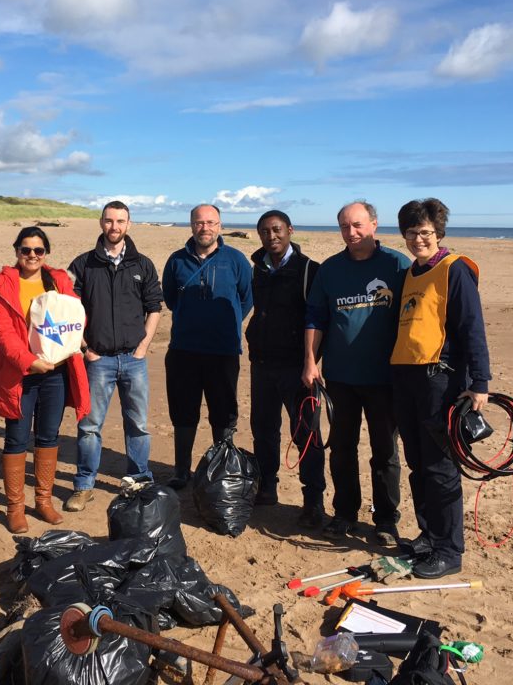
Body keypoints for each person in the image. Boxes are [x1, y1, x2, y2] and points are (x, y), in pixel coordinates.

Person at [390, 198, 490, 579]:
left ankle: (449, 549)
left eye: (426, 233)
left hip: (440, 379)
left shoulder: (455, 269)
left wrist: (479, 382)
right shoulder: (411, 273)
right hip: (406, 377)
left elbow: (471, 328)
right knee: (417, 464)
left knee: (441, 467)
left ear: (439, 233)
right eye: (412, 233)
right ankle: (429, 535)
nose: (419, 239)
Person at [303, 200, 410, 545]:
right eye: (345, 226)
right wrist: (310, 361)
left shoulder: (397, 264)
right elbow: (316, 318)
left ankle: (385, 520)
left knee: (385, 451)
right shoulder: (331, 269)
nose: (352, 232)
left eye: (358, 225)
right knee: (342, 448)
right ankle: (345, 513)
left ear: (374, 225)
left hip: (385, 378)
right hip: (341, 377)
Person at [0, 227, 90, 532]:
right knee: (16, 437)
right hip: (20, 375)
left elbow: (75, 316)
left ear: (46, 253)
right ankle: (15, 507)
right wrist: (30, 361)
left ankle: (43, 501)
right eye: (25, 250)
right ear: (16, 251)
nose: (32, 255)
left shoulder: (58, 280)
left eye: (38, 250)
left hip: (56, 371)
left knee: (48, 436)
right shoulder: (2, 286)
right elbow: (2, 333)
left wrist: (74, 346)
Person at [64, 201, 163, 511]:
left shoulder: (142, 264)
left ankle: (138, 480)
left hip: (134, 360)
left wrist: (143, 347)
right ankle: (83, 485)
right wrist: (84, 347)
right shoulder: (84, 264)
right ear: (101, 223)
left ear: (129, 224)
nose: (114, 227)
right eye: (109, 221)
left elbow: (155, 307)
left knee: (138, 424)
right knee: (89, 425)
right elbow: (68, 310)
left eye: (120, 221)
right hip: (98, 359)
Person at [162, 203, 253, 489]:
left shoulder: (236, 259)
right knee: (183, 411)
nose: (206, 228)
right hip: (184, 350)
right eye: (200, 223)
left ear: (220, 226)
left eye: (211, 222)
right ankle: (180, 470)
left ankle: (221, 468)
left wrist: (224, 324)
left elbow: (246, 299)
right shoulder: (176, 261)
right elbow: (170, 299)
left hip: (223, 351)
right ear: (191, 225)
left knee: (223, 411)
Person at [245, 210, 325, 522]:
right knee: (263, 430)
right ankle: (267, 486)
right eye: (265, 231)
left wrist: (311, 362)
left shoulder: (309, 270)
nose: (271, 236)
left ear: (290, 230)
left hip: (298, 368)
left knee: (306, 433)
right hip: (262, 364)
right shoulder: (259, 269)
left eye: (277, 230)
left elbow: (318, 319)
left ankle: (313, 500)